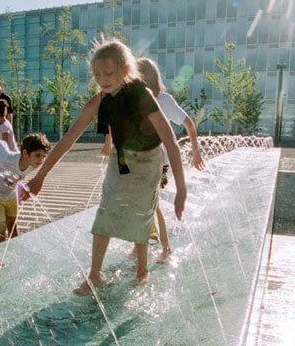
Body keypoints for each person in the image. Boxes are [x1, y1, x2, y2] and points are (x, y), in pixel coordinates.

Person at [23, 37, 187, 292]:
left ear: (125, 69)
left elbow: (171, 141)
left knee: (142, 211)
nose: (102, 79)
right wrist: (40, 177)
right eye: (97, 74)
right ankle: (95, 274)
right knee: (106, 209)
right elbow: (68, 139)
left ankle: (142, 269)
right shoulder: (101, 99)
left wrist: (181, 189)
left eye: (108, 73)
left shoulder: (142, 95)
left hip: (149, 159)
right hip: (120, 157)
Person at [102, 57, 204, 263]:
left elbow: (189, 124)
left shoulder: (164, 100)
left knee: (150, 204)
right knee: (141, 202)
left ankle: (165, 248)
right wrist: (109, 143)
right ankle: (143, 245)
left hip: (157, 162)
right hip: (136, 160)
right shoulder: (133, 100)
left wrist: (196, 153)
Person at [0, 127, 50, 244]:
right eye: (38, 155)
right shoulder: (7, 158)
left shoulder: (33, 164)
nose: (41, 160)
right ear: (25, 153)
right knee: (0, 231)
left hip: (10, 195)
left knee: (13, 230)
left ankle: (14, 256)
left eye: (43, 156)